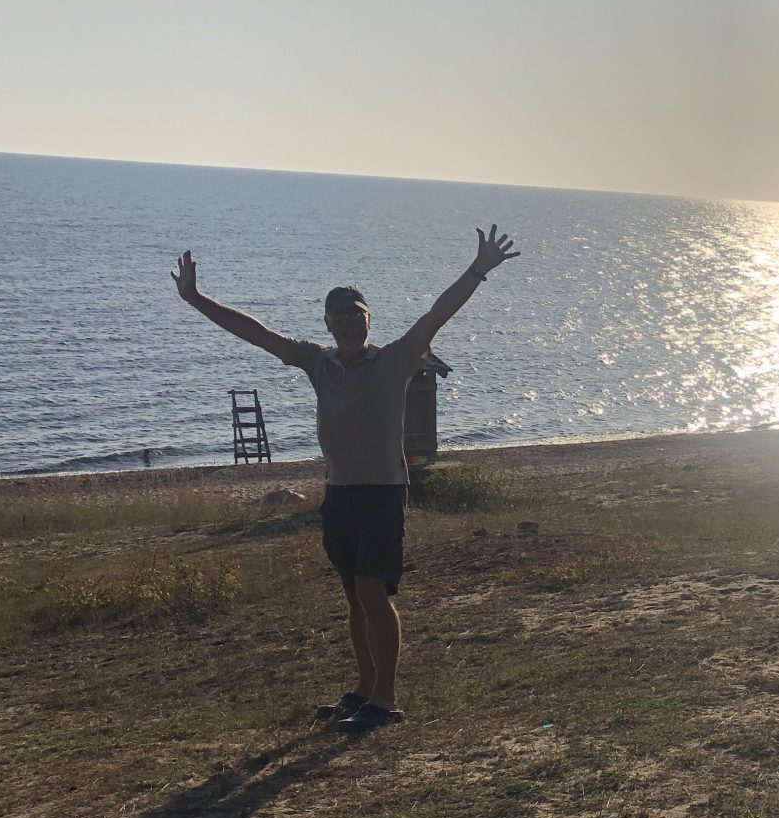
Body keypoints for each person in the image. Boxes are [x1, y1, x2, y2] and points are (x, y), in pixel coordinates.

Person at [171, 227, 520, 734]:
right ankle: (364, 688)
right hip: (339, 492)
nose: (348, 326)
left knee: (372, 591)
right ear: (328, 324)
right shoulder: (318, 361)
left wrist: (478, 268)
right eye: (339, 319)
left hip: (382, 492)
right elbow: (257, 332)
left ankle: (387, 698)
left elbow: (438, 314)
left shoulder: (397, 358)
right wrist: (197, 299)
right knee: (355, 597)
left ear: (367, 319)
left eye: (356, 317)